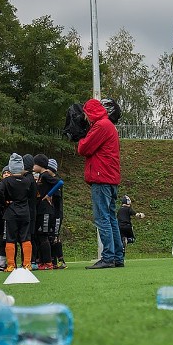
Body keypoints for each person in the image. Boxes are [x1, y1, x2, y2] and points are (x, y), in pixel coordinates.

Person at [76, 98, 124, 269]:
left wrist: (81, 137)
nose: (86, 118)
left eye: (86, 114)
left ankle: (108, 257)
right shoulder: (108, 125)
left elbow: (84, 149)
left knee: (102, 218)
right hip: (110, 178)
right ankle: (117, 256)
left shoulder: (101, 125)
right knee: (110, 218)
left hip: (101, 177)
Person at [0, 153, 35, 271]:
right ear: (22, 167)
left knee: (10, 238)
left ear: (10, 168)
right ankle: (27, 264)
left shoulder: (6, 181)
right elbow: (32, 195)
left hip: (11, 212)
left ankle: (11, 265)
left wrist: (5, 202)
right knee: (26, 238)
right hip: (25, 212)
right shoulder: (28, 180)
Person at [32, 153, 62, 270]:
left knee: (44, 236)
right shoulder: (40, 176)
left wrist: (49, 195)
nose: (33, 167)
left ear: (39, 165)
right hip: (40, 210)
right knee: (39, 236)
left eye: (35, 164)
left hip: (46, 210)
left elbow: (59, 182)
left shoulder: (45, 175)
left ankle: (49, 263)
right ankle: (43, 262)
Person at [47, 158, 67, 269]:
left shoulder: (56, 182)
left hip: (56, 214)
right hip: (50, 213)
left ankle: (60, 260)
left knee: (55, 236)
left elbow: (57, 200)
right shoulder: (48, 181)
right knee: (49, 235)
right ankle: (53, 260)